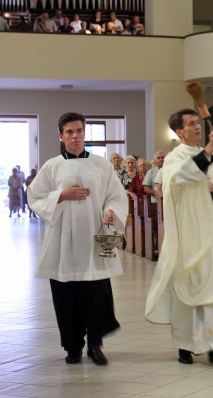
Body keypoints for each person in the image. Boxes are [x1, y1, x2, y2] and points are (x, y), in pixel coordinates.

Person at [27, 112, 127, 365]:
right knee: (66, 296)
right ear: (61, 136)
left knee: (96, 295)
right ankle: (72, 347)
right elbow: (34, 197)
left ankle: (95, 345)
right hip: (63, 242)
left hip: (94, 240)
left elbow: (116, 196)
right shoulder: (52, 166)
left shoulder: (101, 165)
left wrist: (110, 211)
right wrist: (61, 195)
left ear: (85, 134)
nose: (75, 136)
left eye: (79, 131)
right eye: (69, 132)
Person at [145, 109, 213, 366]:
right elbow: (181, 177)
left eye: (198, 123)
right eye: (191, 124)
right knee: (186, 288)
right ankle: (184, 346)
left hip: (209, 233)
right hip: (187, 235)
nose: (197, 127)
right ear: (179, 132)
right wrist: (209, 150)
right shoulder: (175, 158)